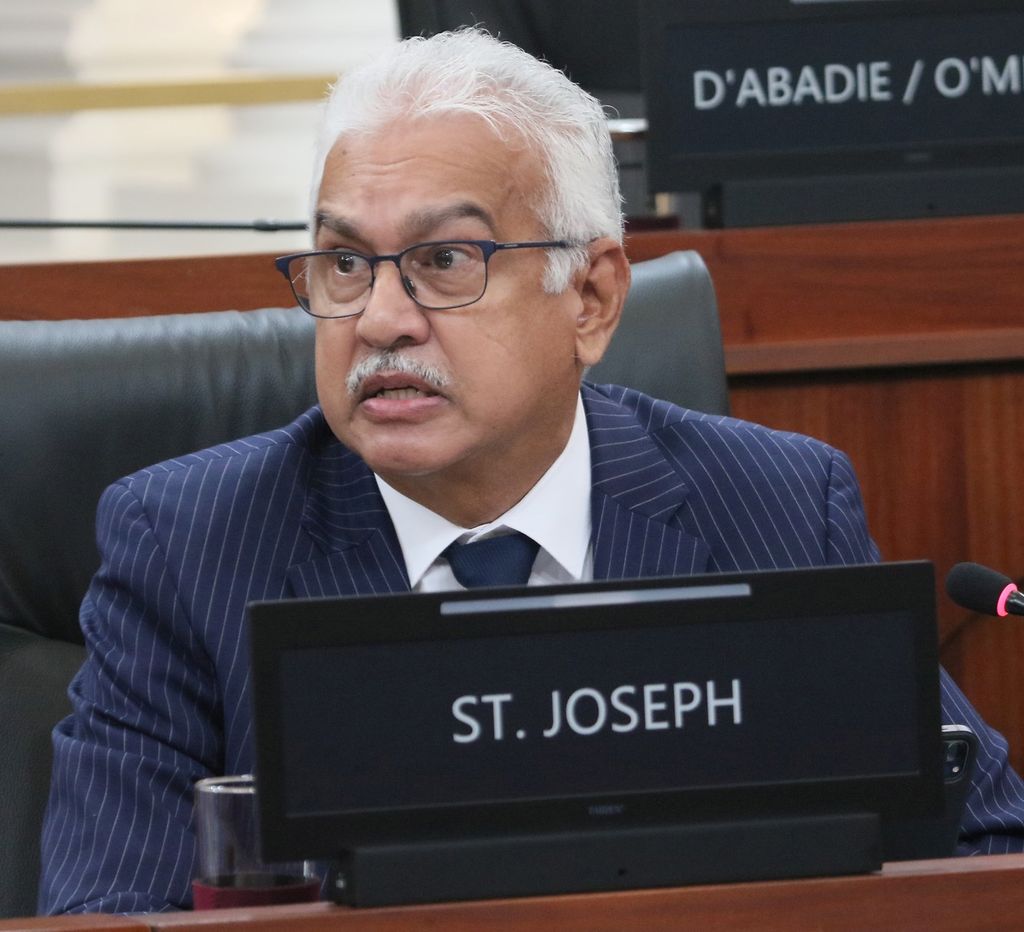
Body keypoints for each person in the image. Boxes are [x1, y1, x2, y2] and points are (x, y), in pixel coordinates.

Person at [39, 27, 1024, 915]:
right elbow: (105, 909)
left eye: (443, 259)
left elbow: (985, 853)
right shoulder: (190, 546)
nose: (380, 319)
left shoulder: (776, 507)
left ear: (590, 297)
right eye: (344, 263)